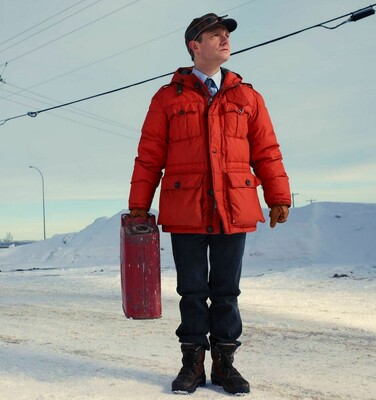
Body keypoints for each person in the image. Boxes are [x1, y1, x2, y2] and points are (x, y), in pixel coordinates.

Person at [128, 13, 291, 395]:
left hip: (234, 207)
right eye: (214, 34)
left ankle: (225, 364)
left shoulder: (247, 96)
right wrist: (139, 205)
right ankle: (192, 364)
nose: (224, 39)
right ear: (194, 46)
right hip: (186, 208)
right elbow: (149, 156)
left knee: (227, 292)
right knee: (191, 291)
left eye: (226, 34)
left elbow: (267, 150)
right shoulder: (168, 98)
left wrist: (278, 196)